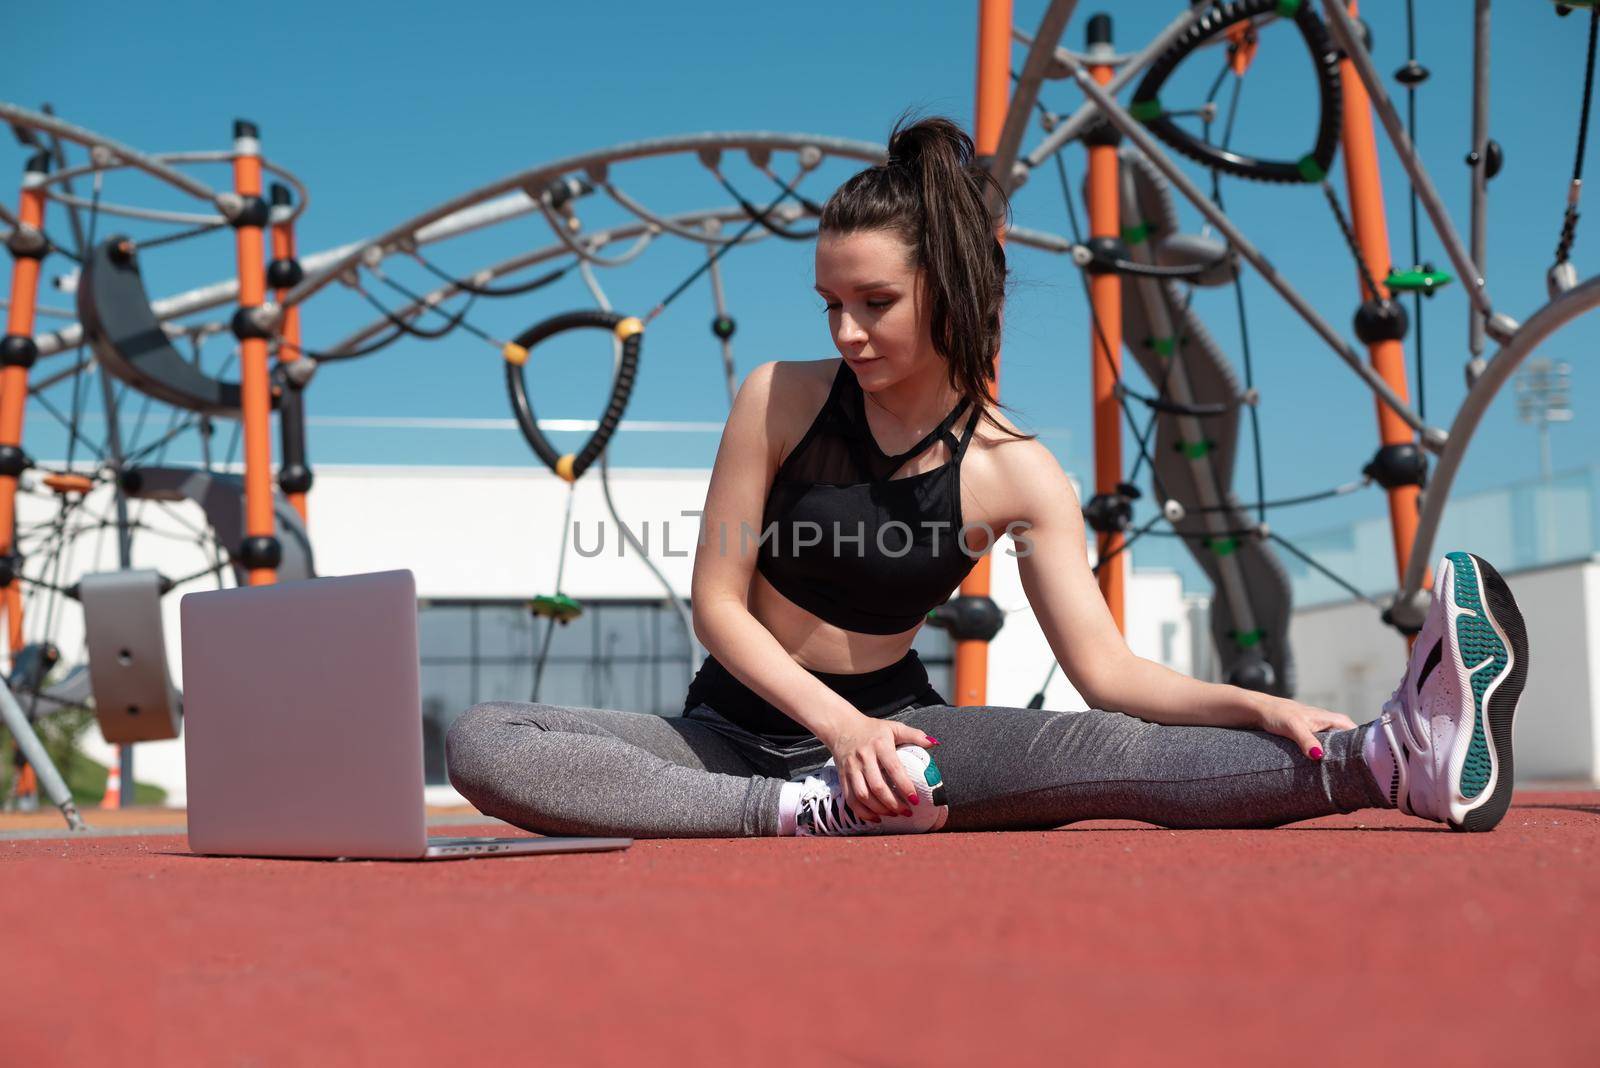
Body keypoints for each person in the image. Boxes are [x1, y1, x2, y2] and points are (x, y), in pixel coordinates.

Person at [446, 114, 1528, 838]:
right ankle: (790, 818)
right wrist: (835, 747)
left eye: (873, 301)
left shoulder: (1017, 474)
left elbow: (1108, 673)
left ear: (948, 289)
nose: (846, 327)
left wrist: (1248, 702)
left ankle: (1397, 757)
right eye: (830, 300)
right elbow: (718, 607)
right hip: (729, 738)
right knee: (486, 739)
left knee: (1107, 751)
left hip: (908, 738)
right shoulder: (777, 395)